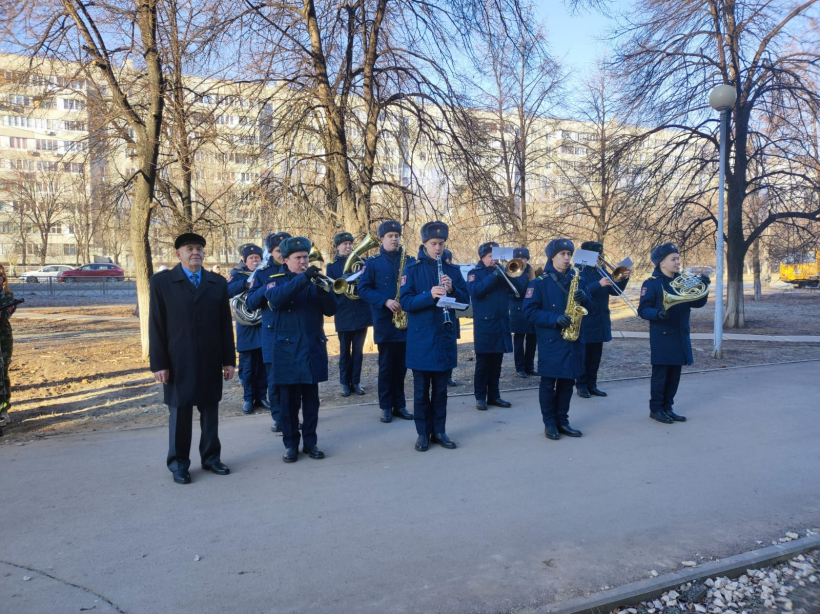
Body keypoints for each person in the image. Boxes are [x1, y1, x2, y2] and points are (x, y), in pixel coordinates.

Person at [149, 233, 236, 484]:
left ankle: (211, 459)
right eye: (189, 248)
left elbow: (224, 324)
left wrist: (229, 360)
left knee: (210, 412)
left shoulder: (217, 283)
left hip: (210, 359)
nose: (195, 252)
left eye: (199, 248)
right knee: (180, 414)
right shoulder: (162, 283)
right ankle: (179, 464)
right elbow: (156, 326)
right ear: (178, 254)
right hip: (178, 361)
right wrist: (160, 364)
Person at [263, 236, 337, 462]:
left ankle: (311, 443)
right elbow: (275, 300)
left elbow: (331, 310)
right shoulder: (276, 280)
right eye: (298, 258)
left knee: (311, 402)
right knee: (288, 404)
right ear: (286, 260)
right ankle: (290, 444)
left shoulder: (315, 280)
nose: (303, 261)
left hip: (312, 347)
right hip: (286, 350)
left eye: (305, 257)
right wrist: (303, 278)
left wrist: (325, 291)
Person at [400, 221, 470, 451]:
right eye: (433, 244)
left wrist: (452, 290)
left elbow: (465, 302)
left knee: (441, 391)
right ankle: (422, 433)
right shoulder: (412, 269)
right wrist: (429, 295)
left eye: (441, 244)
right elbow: (406, 302)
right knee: (421, 392)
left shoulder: (452, 270)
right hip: (421, 339)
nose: (438, 248)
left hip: (444, 338)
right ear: (425, 244)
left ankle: (439, 430)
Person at [522, 238, 590, 441]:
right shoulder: (538, 283)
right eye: (563, 254)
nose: (567, 258)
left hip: (573, 339)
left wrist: (585, 298)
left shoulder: (578, 278)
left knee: (568, 382)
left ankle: (563, 420)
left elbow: (591, 307)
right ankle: (549, 423)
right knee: (548, 382)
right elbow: (528, 312)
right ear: (553, 257)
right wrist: (554, 319)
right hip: (551, 340)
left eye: (569, 254)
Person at [637, 242, 709, 424]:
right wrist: (658, 314)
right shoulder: (652, 284)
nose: (677, 262)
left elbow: (697, 303)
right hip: (662, 335)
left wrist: (704, 289)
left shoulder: (683, 280)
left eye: (678, 258)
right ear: (662, 263)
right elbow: (643, 310)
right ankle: (656, 409)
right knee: (661, 375)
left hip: (680, 333)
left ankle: (668, 407)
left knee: (675, 375)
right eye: (673, 259)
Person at [357, 220, 415, 423]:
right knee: (386, 366)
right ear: (381, 239)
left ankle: (400, 404)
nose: (394, 239)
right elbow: (362, 289)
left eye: (397, 236)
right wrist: (384, 301)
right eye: (390, 236)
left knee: (402, 367)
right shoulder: (372, 263)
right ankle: (385, 406)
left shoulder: (409, 260)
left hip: (406, 321)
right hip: (384, 320)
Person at [246, 231, 292, 432]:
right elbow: (251, 303)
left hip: (293, 332)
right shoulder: (263, 273)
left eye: (284, 250)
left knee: (293, 379)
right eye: (277, 250)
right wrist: (267, 287)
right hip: (272, 333)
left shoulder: (297, 269)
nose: (281, 254)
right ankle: (279, 418)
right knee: (274, 380)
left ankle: (291, 416)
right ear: (270, 252)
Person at [576, 241, 630, 398]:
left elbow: (616, 291)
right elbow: (578, 293)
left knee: (595, 356)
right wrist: (598, 284)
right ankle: (581, 385)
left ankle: (592, 384)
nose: (600, 259)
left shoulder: (603, 271)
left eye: (601, 255)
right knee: (584, 356)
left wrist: (623, 278)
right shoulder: (578, 271)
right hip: (586, 320)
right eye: (597, 256)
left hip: (600, 320)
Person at [467, 241, 513, 411]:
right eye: (490, 256)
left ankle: (494, 395)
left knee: (496, 363)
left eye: (496, 256)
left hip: (501, 323)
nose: (494, 260)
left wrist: (511, 274)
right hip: (485, 325)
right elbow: (477, 291)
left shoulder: (503, 273)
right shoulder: (475, 273)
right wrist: (495, 276)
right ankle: (480, 397)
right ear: (483, 258)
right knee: (483, 364)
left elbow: (519, 290)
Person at [326, 232, 373, 397]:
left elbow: (368, 284)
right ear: (337, 246)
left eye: (350, 243)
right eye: (344, 244)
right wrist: (345, 279)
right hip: (343, 312)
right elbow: (332, 289)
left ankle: (356, 382)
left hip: (361, 311)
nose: (348, 246)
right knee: (345, 351)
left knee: (359, 351)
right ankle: (345, 383)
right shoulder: (331, 266)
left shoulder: (362, 262)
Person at [227, 243, 269, 414]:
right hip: (245, 327)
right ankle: (248, 398)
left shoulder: (265, 273)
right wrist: (246, 284)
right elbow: (227, 290)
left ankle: (262, 396)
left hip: (263, 325)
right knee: (248, 366)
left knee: (263, 364)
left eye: (257, 258)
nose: (254, 261)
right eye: (251, 258)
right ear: (244, 260)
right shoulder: (237, 274)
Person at [508, 247, 537, 379]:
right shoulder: (511, 272)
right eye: (519, 258)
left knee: (532, 340)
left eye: (524, 258)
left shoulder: (531, 271)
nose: (522, 260)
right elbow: (513, 293)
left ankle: (529, 367)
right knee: (519, 340)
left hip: (531, 309)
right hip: (518, 309)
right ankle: (520, 368)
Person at [0, 264, 16, 434]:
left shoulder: (8, 296)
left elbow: (4, 317)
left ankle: (3, 409)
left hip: (3, 338)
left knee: (2, 371)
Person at [443, 248, 461, 387]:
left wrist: (452, 289)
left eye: (449, 259)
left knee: (451, 346)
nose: (448, 262)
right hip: (439, 313)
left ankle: (449, 375)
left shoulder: (453, 271)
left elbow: (462, 295)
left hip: (452, 314)